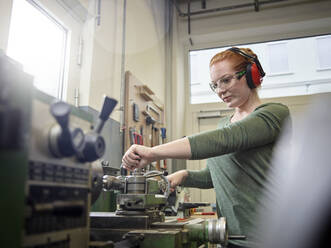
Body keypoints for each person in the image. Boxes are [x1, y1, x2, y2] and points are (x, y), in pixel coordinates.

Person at [122, 47, 290, 248]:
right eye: (215, 85)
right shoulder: (223, 125)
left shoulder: (274, 114)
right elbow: (215, 176)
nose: (220, 90)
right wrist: (184, 175)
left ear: (251, 75)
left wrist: (153, 152)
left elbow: (226, 139)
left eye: (226, 80)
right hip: (229, 238)